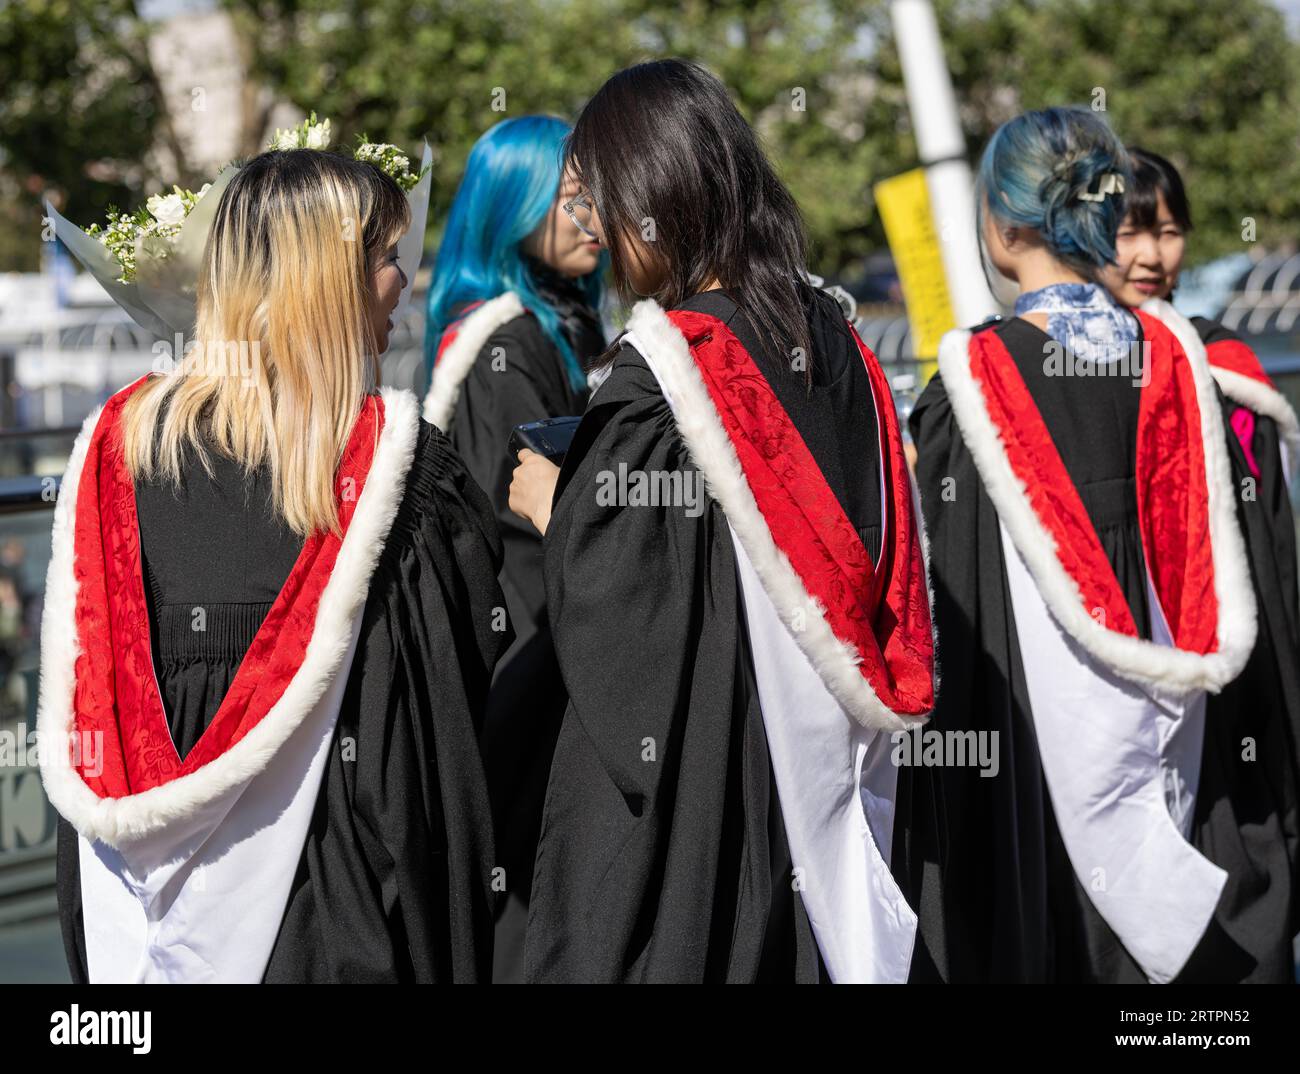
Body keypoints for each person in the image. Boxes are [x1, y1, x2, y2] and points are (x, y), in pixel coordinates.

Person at [509, 59, 936, 983]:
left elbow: (634, 625)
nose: (599, 232)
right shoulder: (838, 340)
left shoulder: (666, 371)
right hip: (827, 760)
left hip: (709, 775)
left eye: (603, 203)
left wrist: (558, 512)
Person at [40, 148, 510, 983]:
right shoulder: (399, 473)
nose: (405, 281)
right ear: (329, 283)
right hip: (327, 907)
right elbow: (449, 711)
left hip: (126, 911)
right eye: (387, 258)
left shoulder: (117, 449)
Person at [898, 106, 1300, 983]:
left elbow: (948, 621)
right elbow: (1265, 586)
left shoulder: (968, 389)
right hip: (1204, 777)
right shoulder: (1189, 364)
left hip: (1036, 802)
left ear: (1003, 232)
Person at [422, 115, 606, 981]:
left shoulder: (558, 325)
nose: (592, 216)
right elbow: (525, 526)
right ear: (513, 207)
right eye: (568, 199)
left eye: (595, 196)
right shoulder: (505, 342)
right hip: (526, 659)